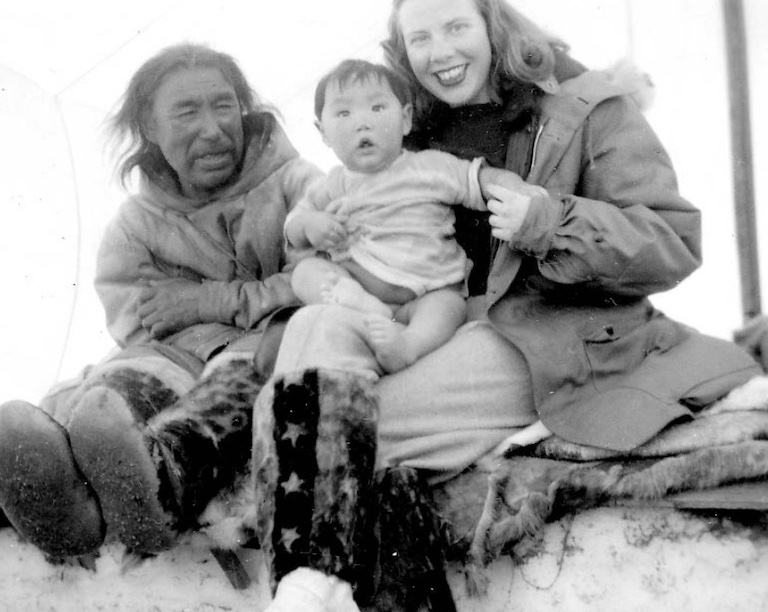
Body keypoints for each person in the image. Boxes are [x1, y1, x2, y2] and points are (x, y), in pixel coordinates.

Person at [251, 0, 763, 608]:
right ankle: (313, 582)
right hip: (417, 317)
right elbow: (334, 230)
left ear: (493, 24)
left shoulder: (587, 108)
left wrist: (550, 222)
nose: (440, 52)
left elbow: (671, 241)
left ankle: (313, 587)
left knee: (345, 433)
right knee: (305, 367)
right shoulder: (401, 126)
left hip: (543, 330)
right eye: (420, 37)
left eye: (456, 27)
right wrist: (316, 269)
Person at [0, 42, 322, 559]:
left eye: (223, 105)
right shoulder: (135, 222)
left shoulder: (302, 187)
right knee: (115, 390)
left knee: (235, 384)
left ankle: (159, 495)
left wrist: (207, 303)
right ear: (150, 127)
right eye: (187, 112)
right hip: (167, 356)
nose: (213, 128)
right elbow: (139, 321)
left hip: (263, 346)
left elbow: (322, 280)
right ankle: (70, 499)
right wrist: (195, 343)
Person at [287, 59, 543, 373]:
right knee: (305, 272)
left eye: (377, 108)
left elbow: (478, 179)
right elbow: (293, 227)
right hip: (362, 283)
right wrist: (311, 226)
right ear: (323, 132)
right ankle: (366, 309)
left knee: (449, 308)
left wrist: (513, 186)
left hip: (430, 287)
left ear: (405, 119)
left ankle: (408, 345)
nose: (361, 123)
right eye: (343, 113)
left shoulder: (429, 167)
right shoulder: (331, 185)